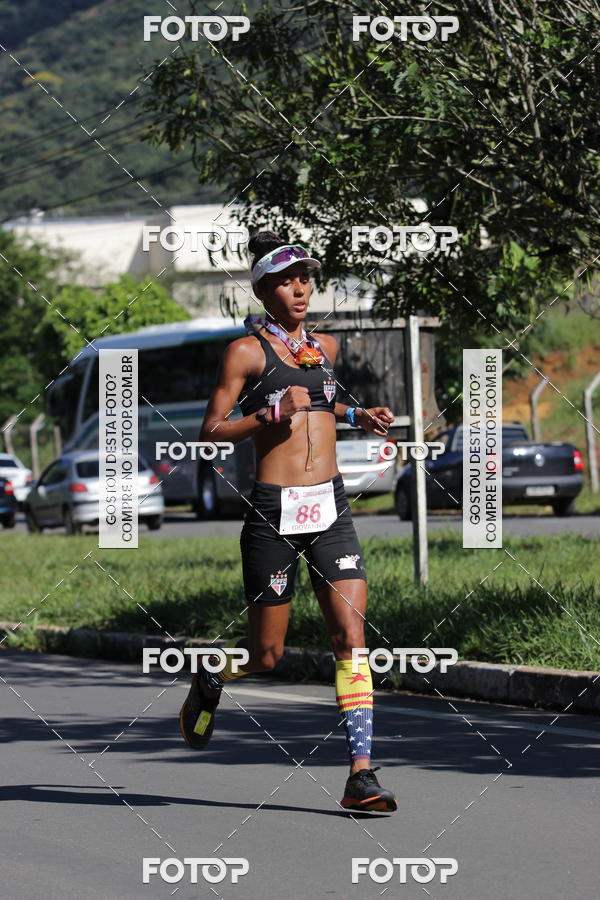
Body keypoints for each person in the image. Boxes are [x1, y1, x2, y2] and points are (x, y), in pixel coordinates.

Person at [179, 231, 397, 812]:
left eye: (305, 279)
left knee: (350, 637)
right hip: (274, 513)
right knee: (267, 656)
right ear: (262, 290)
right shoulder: (244, 353)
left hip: (331, 508)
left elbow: (323, 402)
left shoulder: (324, 347)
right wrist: (270, 412)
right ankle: (211, 673)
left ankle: (361, 774)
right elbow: (210, 433)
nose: (300, 289)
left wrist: (359, 414)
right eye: (286, 281)